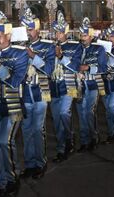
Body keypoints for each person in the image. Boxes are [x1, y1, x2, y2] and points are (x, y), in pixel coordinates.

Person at [0, 10, 28, 197]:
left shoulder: (20, 54)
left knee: (5, 141)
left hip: (12, 104)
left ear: (9, 36)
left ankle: (13, 178)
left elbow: (16, 81)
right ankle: (2, 180)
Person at [18, 8, 54, 179]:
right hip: (24, 93)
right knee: (26, 130)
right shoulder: (17, 48)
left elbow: (48, 70)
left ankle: (40, 162)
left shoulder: (47, 46)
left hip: (40, 92)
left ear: (38, 30)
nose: (27, 32)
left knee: (38, 129)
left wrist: (32, 55)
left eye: (30, 29)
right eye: (25, 29)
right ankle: (30, 164)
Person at [50, 11, 82, 162]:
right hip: (54, 86)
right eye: (56, 32)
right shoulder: (50, 47)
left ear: (66, 32)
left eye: (60, 32)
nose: (58, 35)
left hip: (68, 86)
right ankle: (62, 147)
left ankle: (69, 137)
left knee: (64, 113)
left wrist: (61, 56)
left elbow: (76, 67)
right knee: (56, 120)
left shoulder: (75, 46)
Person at [77, 18, 107, 149]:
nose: (82, 38)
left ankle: (94, 137)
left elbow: (103, 68)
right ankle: (84, 140)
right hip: (79, 85)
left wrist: (88, 68)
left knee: (89, 112)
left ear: (90, 36)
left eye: (84, 35)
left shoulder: (99, 49)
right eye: (81, 35)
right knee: (81, 113)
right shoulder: (77, 49)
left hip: (93, 83)